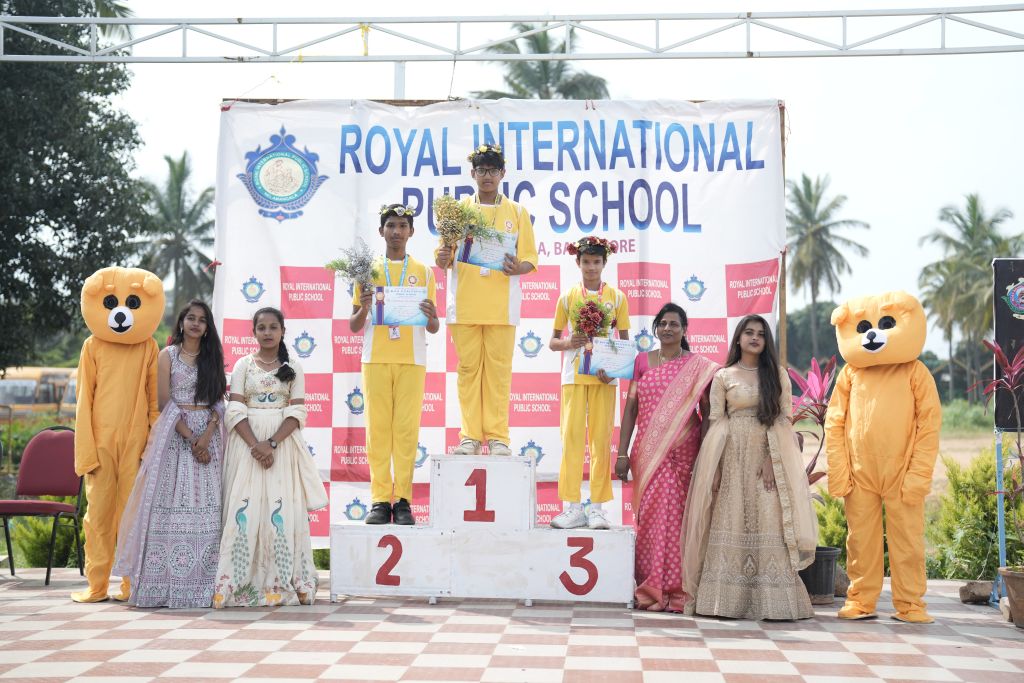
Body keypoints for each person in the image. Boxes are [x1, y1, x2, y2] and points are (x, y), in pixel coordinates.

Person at [680, 315, 818, 620]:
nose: (755, 338)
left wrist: (773, 459)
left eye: (761, 334)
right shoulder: (723, 376)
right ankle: (725, 602)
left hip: (767, 456)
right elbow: (716, 421)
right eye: (749, 332)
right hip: (730, 458)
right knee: (730, 517)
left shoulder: (776, 374)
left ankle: (773, 603)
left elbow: (784, 418)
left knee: (769, 519)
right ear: (739, 338)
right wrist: (715, 469)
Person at [113, 300, 225, 608]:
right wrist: (192, 438)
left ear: (207, 328)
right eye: (191, 318)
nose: (196, 323)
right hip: (176, 437)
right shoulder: (169, 355)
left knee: (210, 509)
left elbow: (218, 400)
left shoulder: (213, 356)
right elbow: (165, 402)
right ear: (181, 322)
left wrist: (208, 435)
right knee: (170, 507)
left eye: (202, 320)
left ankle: (206, 586)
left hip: (210, 439)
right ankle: (165, 585)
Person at [213, 307, 328, 608]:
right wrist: (256, 446)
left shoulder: (294, 367)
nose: (267, 332)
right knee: (245, 509)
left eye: (273, 327)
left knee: (282, 509)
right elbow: (235, 410)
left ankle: (285, 582)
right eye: (261, 327)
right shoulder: (243, 365)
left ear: (282, 332)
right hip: (246, 445)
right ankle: (235, 585)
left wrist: (272, 444)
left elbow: (297, 412)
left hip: (282, 447)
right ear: (253, 332)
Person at [436, 143, 538, 456]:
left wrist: (517, 267)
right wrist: (442, 257)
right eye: (481, 170)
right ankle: (469, 437)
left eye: (493, 170)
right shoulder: (458, 211)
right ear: (473, 173)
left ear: (502, 173)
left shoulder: (517, 212)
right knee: (468, 372)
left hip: (501, 308)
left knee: (498, 374)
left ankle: (498, 438)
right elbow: (443, 258)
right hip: (465, 305)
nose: (487, 176)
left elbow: (529, 259)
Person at [615, 303, 718, 611]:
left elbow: (707, 413)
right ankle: (650, 587)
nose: (668, 328)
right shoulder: (642, 361)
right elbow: (631, 408)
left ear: (684, 330)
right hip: (647, 454)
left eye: (674, 324)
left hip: (683, 453)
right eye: (663, 323)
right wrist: (621, 452)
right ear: (656, 328)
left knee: (678, 520)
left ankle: (679, 589)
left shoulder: (697, 367)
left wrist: (705, 454)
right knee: (649, 519)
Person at [350, 203, 440, 526]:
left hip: (412, 359)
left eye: (402, 226)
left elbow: (433, 327)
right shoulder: (366, 271)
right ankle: (378, 500)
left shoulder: (424, 272)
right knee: (377, 430)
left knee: (406, 431)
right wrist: (363, 307)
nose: (397, 231)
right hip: (375, 358)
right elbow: (354, 325)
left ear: (411, 232)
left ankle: (402, 500)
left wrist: (432, 316)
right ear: (381, 231)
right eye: (391, 225)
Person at [549, 236, 630, 530]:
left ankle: (596, 508)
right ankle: (572, 507)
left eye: (596, 262)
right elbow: (553, 342)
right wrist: (570, 341)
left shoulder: (617, 298)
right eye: (586, 262)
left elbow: (625, 343)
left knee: (600, 441)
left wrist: (615, 371)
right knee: (571, 440)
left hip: (603, 380)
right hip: (573, 377)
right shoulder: (568, 297)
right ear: (578, 263)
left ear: (604, 263)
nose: (591, 267)